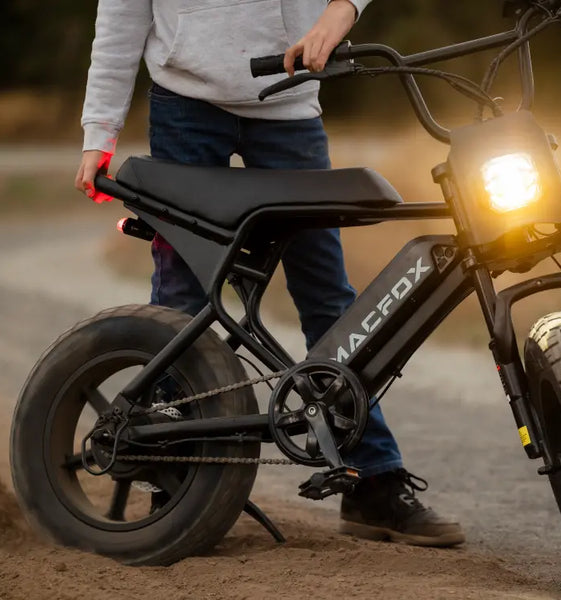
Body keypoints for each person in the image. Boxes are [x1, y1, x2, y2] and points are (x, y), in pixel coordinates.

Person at [74, 0, 464, 548]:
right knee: (183, 299)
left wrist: (341, 10)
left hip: (290, 105)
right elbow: (121, 15)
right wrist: (100, 132)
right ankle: (179, 480)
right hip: (186, 109)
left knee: (327, 295)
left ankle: (373, 481)